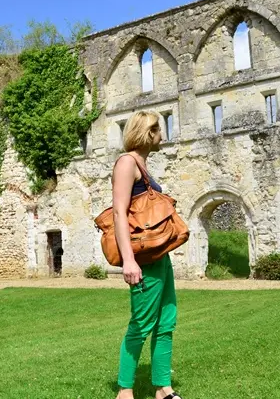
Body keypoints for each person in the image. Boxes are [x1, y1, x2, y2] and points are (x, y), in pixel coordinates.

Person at [111, 111, 182, 399]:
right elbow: (118, 212)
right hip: (142, 258)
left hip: (160, 256)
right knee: (141, 325)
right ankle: (124, 391)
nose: (162, 136)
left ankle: (163, 388)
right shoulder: (127, 163)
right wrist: (128, 260)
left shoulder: (145, 166)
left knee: (166, 321)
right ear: (147, 132)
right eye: (158, 130)